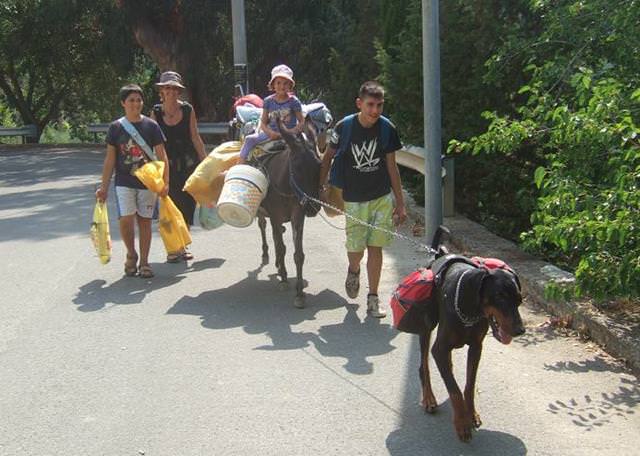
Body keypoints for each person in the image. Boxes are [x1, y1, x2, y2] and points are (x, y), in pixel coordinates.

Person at [318, 81, 408, 317]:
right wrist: (323, 184)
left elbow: (392, 166)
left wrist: (400, 202)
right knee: (356, 249)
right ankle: (354, 269)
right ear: (359, 103)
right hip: (354, 198)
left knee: (375, 246)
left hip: (380, 197)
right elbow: (328, 156)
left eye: (379, 105)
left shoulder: (387, 129)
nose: (375, 111)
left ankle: (373, 298)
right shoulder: (344, 127)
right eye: (370, 105)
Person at [96, 84, 169, 279]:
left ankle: (144, 262)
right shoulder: (116, 128)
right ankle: (131, 253)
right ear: (123, 103)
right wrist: (103, 187)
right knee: (126, 220)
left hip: (147, 183)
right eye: (131, 100)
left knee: (144, 221)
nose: (136, 104)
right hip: (124, 181)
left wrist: (164, 183)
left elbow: (162, 156)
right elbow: (110, 159)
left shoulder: (151, 126)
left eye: (139, 100)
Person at [150, 71, 206, 263]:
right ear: (162, 91)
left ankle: (182, 247)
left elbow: (195, 136)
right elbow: (152, 143)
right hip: (167, 168)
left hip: (189, 165)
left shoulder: (188, 110)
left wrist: (206, 163)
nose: (171, 91)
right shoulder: (156, 113)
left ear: (178, 91)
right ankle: (172, 249)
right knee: (169, 208)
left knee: (187, 207)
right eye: (167, 88)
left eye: (174, 88)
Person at [237, 64, 304, 164]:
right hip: (271, 134)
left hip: (290, 134)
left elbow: (302, 121)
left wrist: (290, 132)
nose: (282, 86)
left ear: (290, 85)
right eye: (278, 83)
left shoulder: (294, 102)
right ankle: (239, 165)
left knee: (305, 146)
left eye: (285, 83)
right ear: (273, 85)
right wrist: (270, 133)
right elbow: (263, 123)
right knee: (249, 139)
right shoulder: (268, 101)